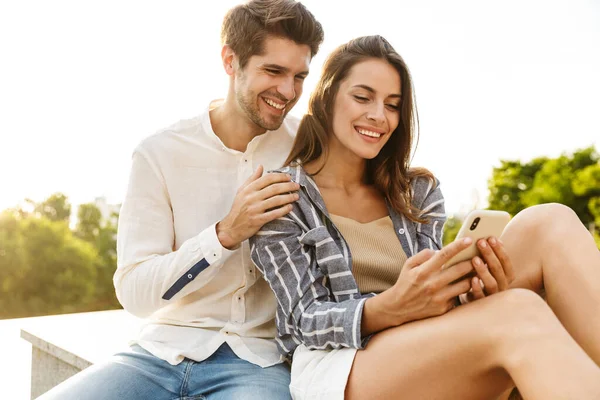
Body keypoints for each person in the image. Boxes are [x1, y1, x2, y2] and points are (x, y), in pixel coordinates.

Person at [249, 35, 600, 400]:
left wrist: (474, 290)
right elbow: (303, 320)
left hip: (425, 336)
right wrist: (389, 307)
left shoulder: (416, 190)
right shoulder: (283, 195)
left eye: (392, 104)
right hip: (342, 363)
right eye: (362, 97)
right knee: (519, 312)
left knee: (551, 222)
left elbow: (435, 300)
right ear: (327, 98)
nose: (378, 115)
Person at [39, 1, 323, 399]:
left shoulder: (309, 149)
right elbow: (135, 292)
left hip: (258, 363)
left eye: (299, 76)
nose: (288, 91)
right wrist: (224, 235)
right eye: (273, 71)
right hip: (158, 353)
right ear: (230, 60)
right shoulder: (160, 153)